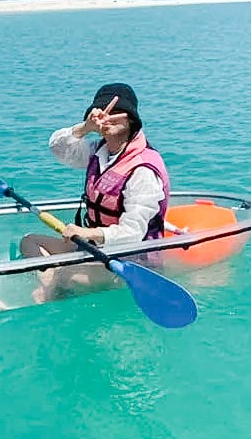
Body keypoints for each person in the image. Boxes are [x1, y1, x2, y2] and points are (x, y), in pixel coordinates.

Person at [22, 83, 171, 300]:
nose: (106, 117)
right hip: (92, 248)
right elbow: (59, 149)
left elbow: (133, 233)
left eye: (114, 113)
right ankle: (50, 284)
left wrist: (87, 233)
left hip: (132, 260)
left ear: (130, 118)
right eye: (101, 112)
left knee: (67, 277)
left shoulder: (143, 169)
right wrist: (85, 127)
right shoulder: (99, 152)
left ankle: (51, 289)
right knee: (29, 241)